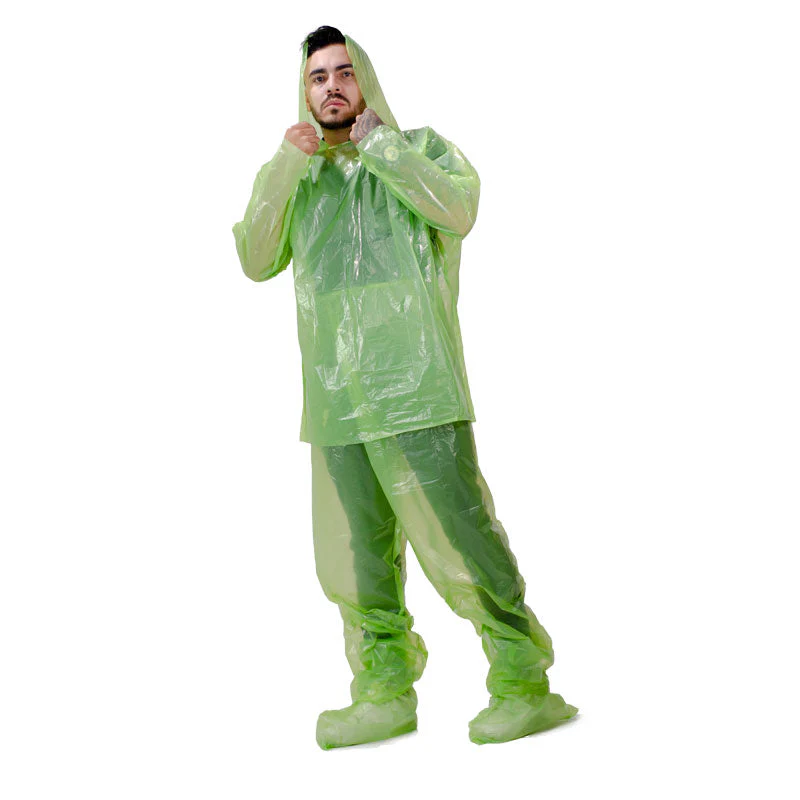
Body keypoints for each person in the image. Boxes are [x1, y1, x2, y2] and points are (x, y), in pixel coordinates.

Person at [232, 25, 578, 749]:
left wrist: (383, 146)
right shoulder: (301, 176)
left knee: (463, 536)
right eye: (318, 76)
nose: (331, 86)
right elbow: (257, 258)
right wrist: (285, 164)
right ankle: (383, 691)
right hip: (337, 397)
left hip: (419, 385)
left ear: (366, 79)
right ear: (304, 91)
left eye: (344, 72)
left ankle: (524, 682)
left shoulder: (417, 148)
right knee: (355, 554)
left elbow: (457, 211)